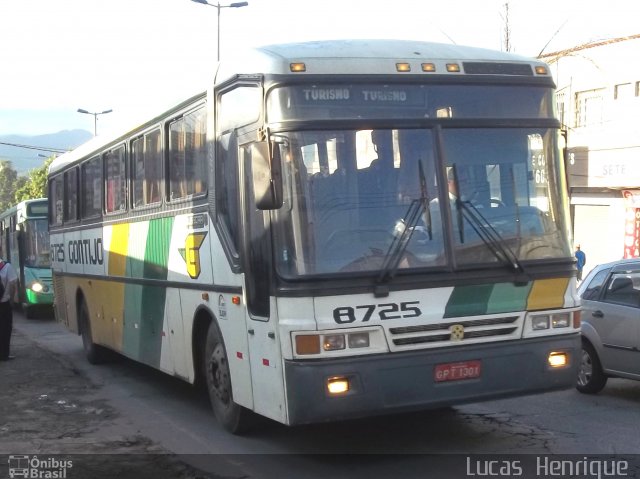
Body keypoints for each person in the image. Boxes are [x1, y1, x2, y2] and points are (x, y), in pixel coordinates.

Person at [0, 257, 18, 361]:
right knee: (5, 329)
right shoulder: (7, 266)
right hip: (4, 304)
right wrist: (11, 299)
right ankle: (4, 354)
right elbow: (12, 284)